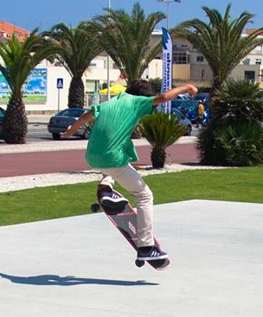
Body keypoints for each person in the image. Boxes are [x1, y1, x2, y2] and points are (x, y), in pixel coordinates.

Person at [61, 79, 198, 266]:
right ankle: (146, 247)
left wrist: (71, 130)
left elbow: (87, 116)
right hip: (112, 159)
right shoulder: (137, 101)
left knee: (120, 160)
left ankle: (106, 187)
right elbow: (164, 97)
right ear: (142, 96)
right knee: (144, 195)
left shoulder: (109, 103)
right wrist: (187, 87)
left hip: (93, 157)